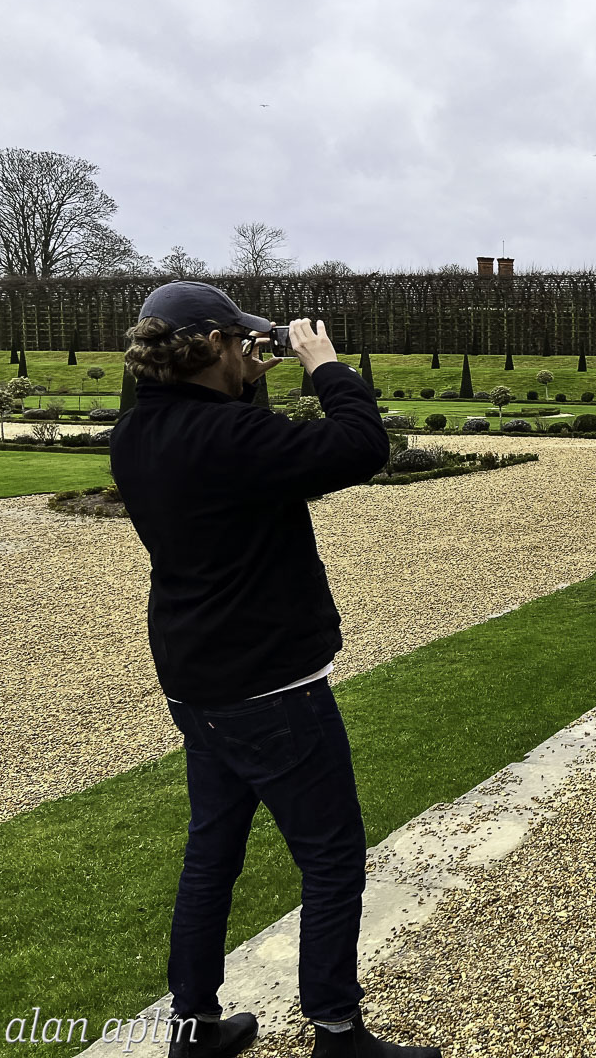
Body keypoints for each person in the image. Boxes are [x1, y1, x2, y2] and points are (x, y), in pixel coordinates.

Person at [109, 282, 437, 1058]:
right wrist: (325, 366)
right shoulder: (230, 438)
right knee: (331, 858)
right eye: (239, 343)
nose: (251, 352)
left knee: (211, 859)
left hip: (197, 680)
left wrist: (245, 379)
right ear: (213, 344)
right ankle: (338, 1031)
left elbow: (231, 445)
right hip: (271, 684)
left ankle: (194, 1028)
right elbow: (360, 446)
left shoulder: (137, 431)